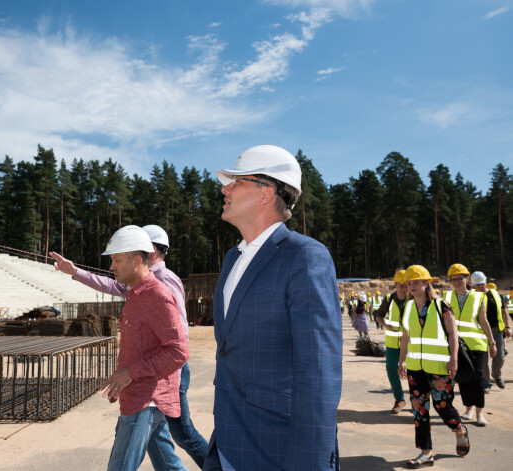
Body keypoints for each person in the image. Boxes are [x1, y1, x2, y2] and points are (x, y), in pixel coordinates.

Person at [205, 145, 342, 470]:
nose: (225, 188)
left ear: (266, 193)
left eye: (236, 181)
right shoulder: (232, 258)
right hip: (228, 440)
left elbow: (319, 372)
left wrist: (311, 463)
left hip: (277, 448)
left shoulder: (305, 256)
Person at [50, 225, 209, 468]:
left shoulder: (159, 290)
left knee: (172, 442)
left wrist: (131, 373)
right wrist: (75, 271)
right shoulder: (136, 290)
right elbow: (112, 290)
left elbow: (177, 348)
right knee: (168, 463)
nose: (111, 266)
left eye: (116, 259)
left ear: (138, 259)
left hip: (148, 395)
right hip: (140, 392)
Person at [398, 265, 469, 468]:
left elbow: (453, 334)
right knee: (419, 410)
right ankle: (425, 453)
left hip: (439, 367)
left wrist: (453, 360)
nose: (411, 286)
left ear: (426, 282)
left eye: (416, 282)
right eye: (408, 283)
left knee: (442, 407)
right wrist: (401, 360)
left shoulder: (441, 305)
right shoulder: (409, 307)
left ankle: (459, 429)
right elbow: (405, 337)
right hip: (415, 368)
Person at [443, 263, 497, 426]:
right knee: (464, 378)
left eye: (459, 278)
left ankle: (480, 413)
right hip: (456, 345)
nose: (456, 282)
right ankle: (468, 410)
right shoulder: (446, 297)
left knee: (478, 379)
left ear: (467, 279)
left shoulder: (479, 296)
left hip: (476, 344)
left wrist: (492, 342)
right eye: (453, 279)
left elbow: (483, 321)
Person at [375, 269, 408, 414]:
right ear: (395, 285)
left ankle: (416, 400)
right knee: (390, 369)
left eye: (406, 285)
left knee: (413, 372)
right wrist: (385, 325)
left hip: (410, 343)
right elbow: (379, 316)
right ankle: (399, 399)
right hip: (393, 343)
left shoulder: (413, 299)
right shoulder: (388, 299)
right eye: (401, 285)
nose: (404, 288)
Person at [472, 273, 511, 389]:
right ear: (474, 285)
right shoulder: (472, 296)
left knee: (500, 355)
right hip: (479, 331)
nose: (481, 286)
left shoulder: (495, 293)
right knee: (483, 358)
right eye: (477, 285)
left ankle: (496, 375)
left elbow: (503, 311)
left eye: (482, 283)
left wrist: (507, 327)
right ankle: (486, 382)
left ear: (486, 281)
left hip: (496, 330)